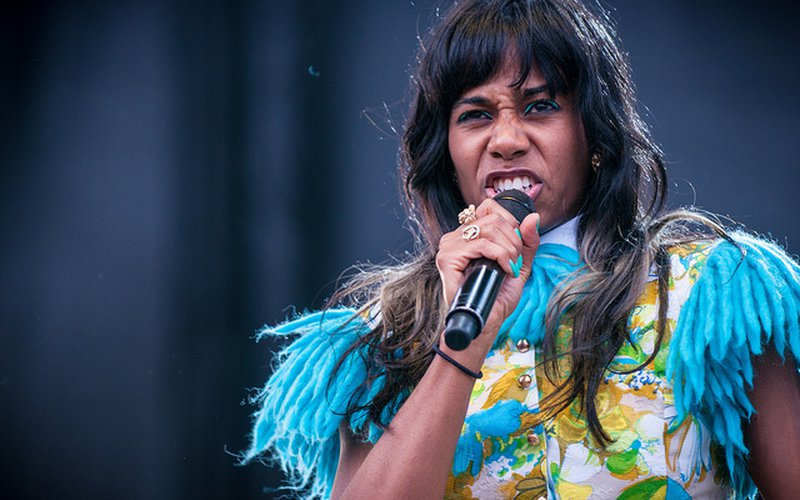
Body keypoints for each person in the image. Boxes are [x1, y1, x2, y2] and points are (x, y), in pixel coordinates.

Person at [242, 0, 800, 498]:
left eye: (540, 106)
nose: (506, 140)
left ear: (594, 134)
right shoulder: (389, 333)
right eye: (476, 115)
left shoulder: (712, 297)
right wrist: (460, 347)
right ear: (447, 153)